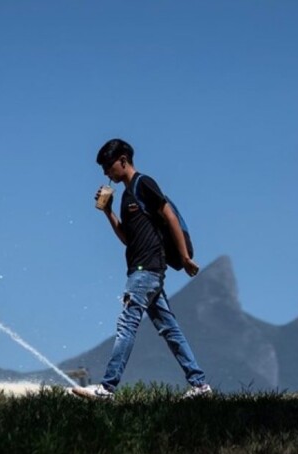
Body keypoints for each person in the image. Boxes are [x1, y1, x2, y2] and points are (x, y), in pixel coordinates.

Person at [72, 138, 212, 399]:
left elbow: (169, 215)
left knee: (127, 325)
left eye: (107, 165)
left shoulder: (144, 183)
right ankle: (200, 385)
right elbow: (128, 238)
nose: (106, 173)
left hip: (146, 270)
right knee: (170, 329)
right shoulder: (126, 196)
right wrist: (108, 212)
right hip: (144, 271)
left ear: (123, 160)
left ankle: (107, 388)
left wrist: (184, 258)